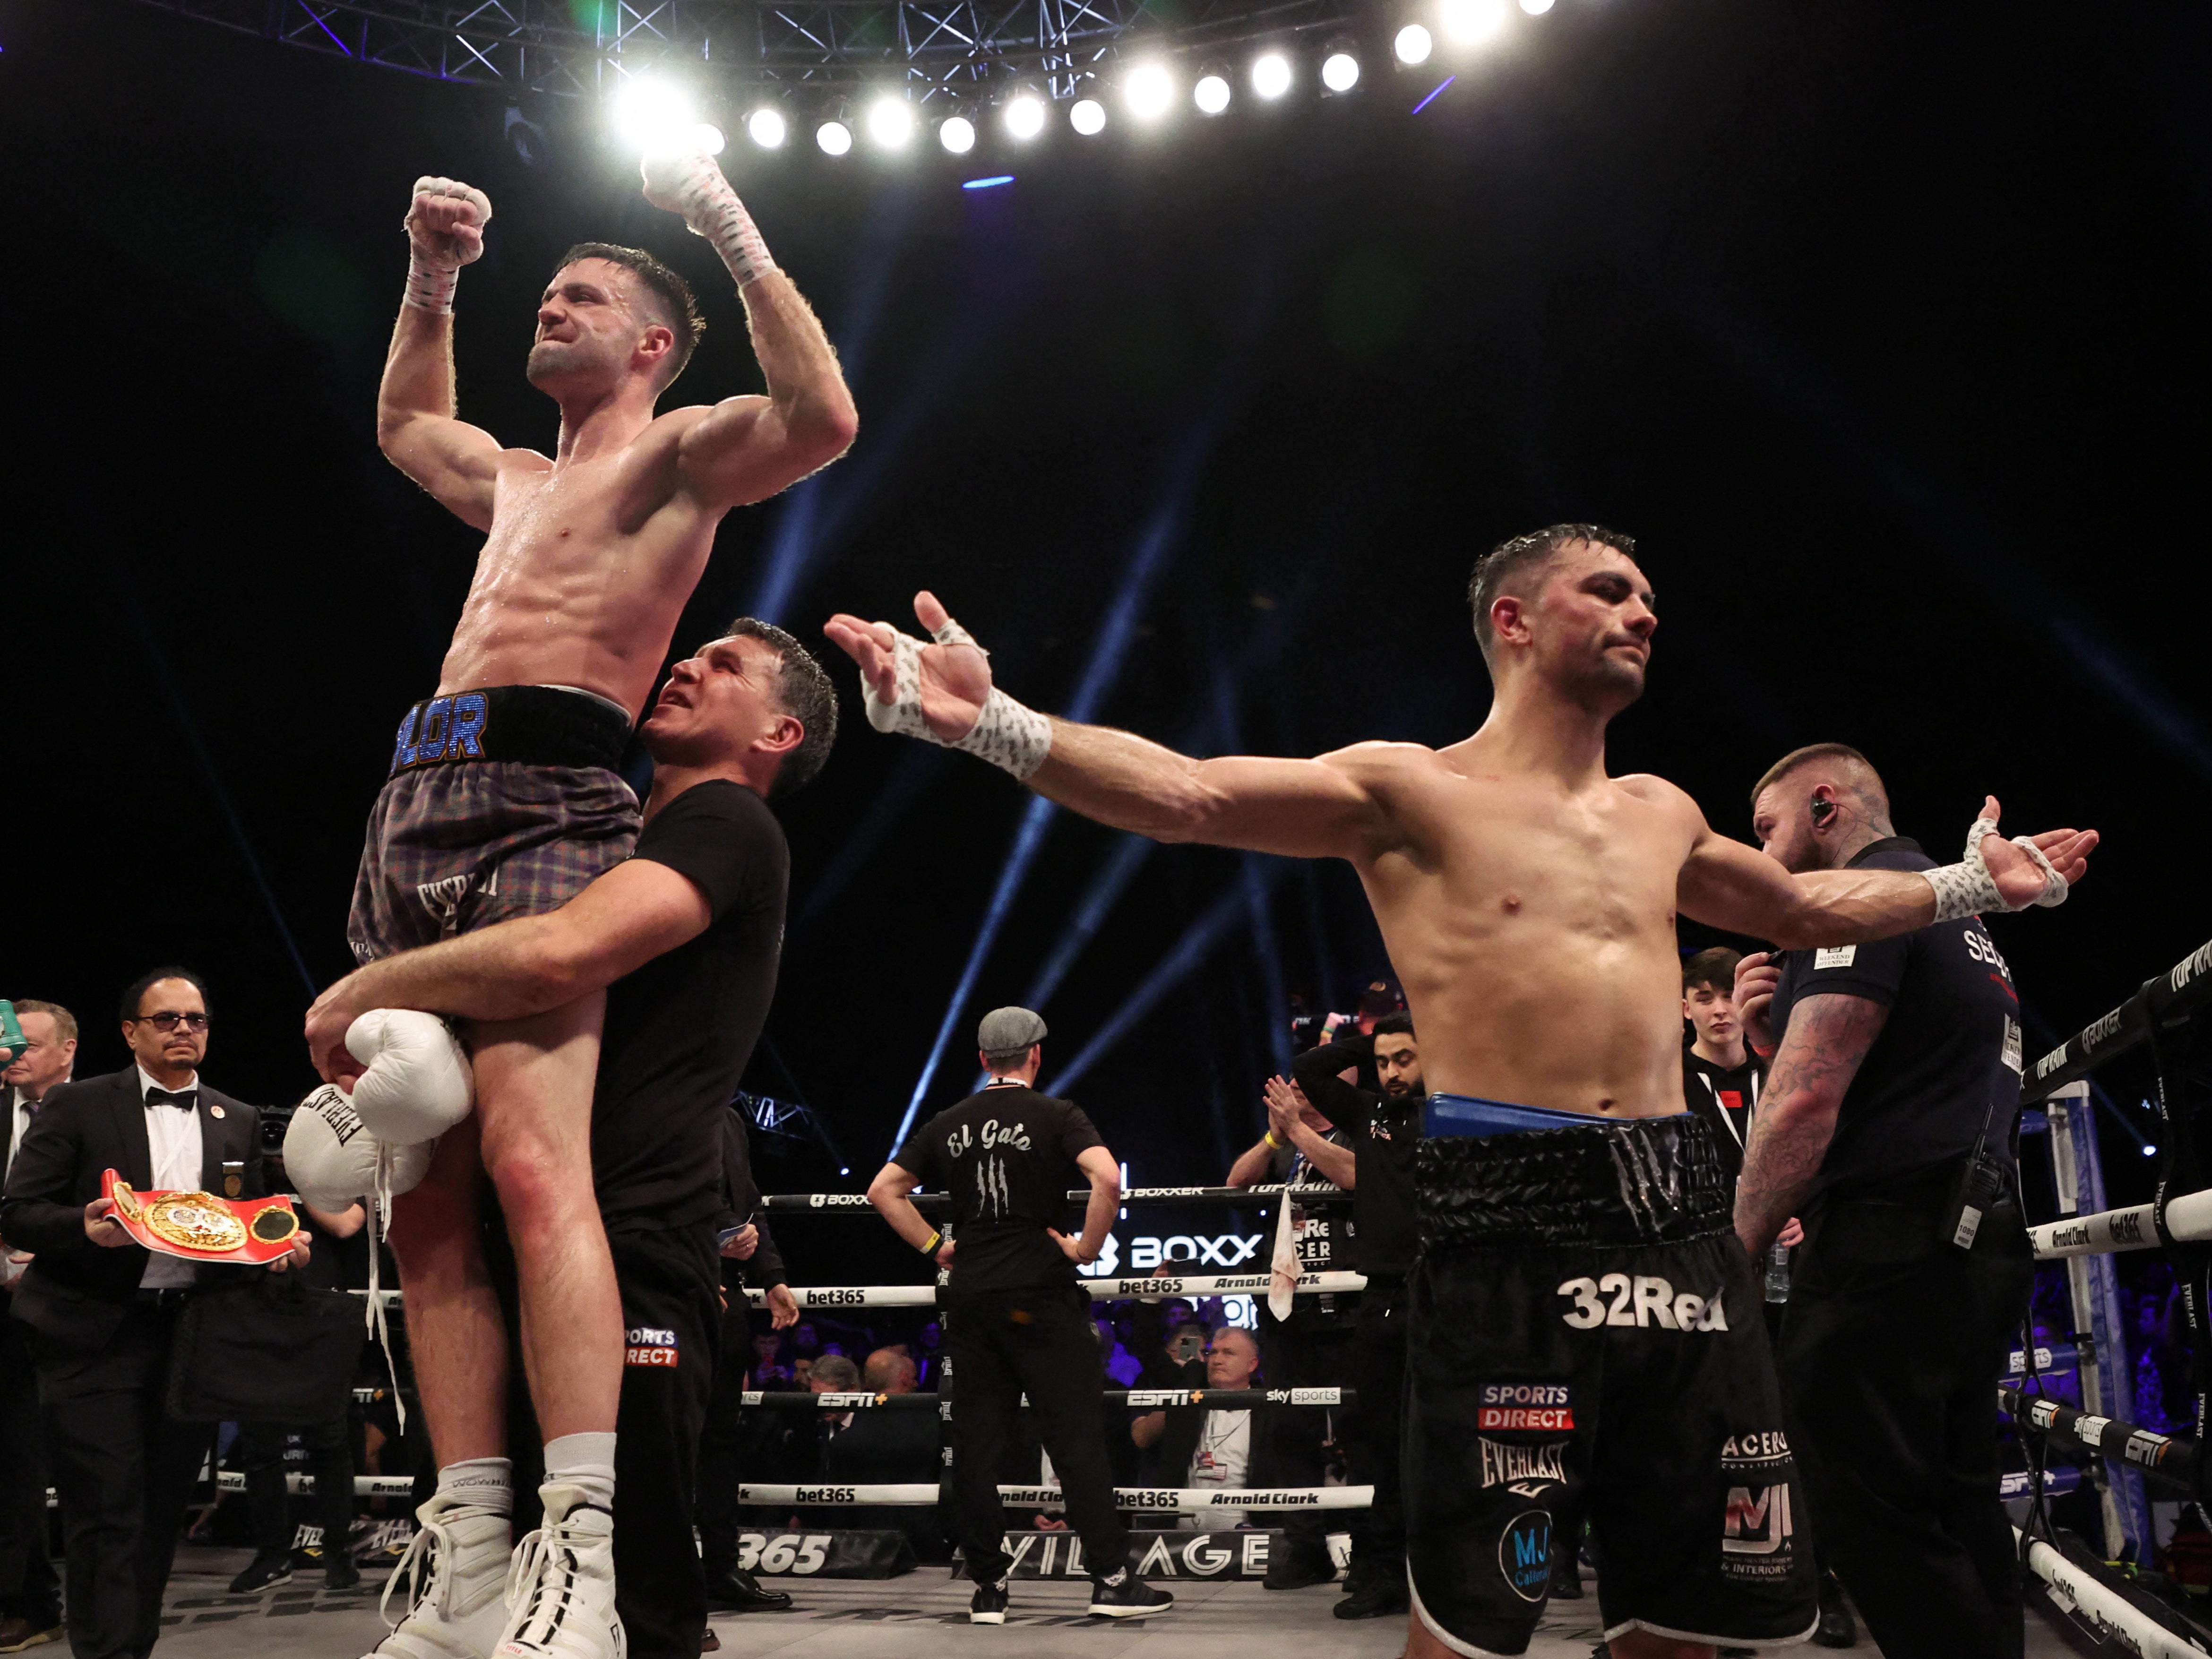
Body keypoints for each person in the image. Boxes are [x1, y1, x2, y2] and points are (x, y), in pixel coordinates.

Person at [823, 524, 2096, 1659]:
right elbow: (1190, 794)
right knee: (1478, 1607)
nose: (1646, 610)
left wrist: (1978, 883)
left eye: (1650, 593)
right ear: (1516, 619)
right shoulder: (1408, 786)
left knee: (1689, 1603)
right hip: (1505, 1219)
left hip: (1679, 1219)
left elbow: (1813, 901)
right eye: (1610, 588)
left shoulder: (1661, 809)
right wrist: (993, 724)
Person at [348, 142, 856, 1658]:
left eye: (581, 297)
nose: (548, 309)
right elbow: (400, 423)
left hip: (554, 785)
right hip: (416, 793)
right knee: (422, 1198)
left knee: (525, 1158)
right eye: (545, 294)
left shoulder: (685, 449)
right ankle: (473, 1552)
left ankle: (584, 1541)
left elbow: (823, 416)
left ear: (650, 343)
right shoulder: (511, 477)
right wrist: (434, 273)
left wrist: (719, 220)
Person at [306, 619, 832, 1659]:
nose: (683, 662)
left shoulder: (728, 821)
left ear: (777, 732)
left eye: (725, 666)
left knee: (624, 1589)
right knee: (493, 1569)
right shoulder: (601, 835)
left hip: (630, 1239)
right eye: (693, 650)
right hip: (525, 1240)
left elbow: (556, 957)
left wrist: (357, 993)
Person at [1734, 743, 2039, 1659]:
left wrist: (1727, 1253)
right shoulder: (1957, 913)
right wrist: (1768, 1035)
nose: (1761, 856)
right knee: (1956, 1498)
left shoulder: (1862, 901)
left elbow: (1804, 1099)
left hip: (1887, 1250)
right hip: (1972, 1243)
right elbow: (1901, 1073)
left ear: (1825, 807)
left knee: (1855, 1502)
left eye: (1766, 829)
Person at [0, 971, 310, 1659]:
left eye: (196, 1019)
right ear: (131, 1030)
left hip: (191, 1339)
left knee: (159, 1509)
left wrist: (279, 1245)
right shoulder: (79, 1104)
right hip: (94, 1332)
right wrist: (84, 1223)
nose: (183, 1029)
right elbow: (18, 1209)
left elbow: (243, 1224)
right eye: (166, 1017)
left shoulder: (235, 1114)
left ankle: (131, 1646)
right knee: (106, 1510)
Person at [865, 1008, 1173, 1625]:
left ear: (983, 1059)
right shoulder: (1058, 1113)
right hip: (1041, 1289)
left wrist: (937, 1247)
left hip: (972, 1293)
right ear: (1035, 1054)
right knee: (1076, 1440)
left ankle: (987, 1586)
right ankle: (1111, 1578)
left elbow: (883, 1190)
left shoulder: (948, 1121)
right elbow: (1108, 1178)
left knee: (975, 1448)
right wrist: (1086, 1248)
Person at [1286, 1010, 1423, 1619]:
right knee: (1377, 1443)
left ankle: (1447, 1573)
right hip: (1384, 1295)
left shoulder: (1452, 1115)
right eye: (1385, 1063)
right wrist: (1377, 1037)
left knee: (1447, 1439)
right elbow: (1308, 1068)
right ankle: (1380, 1575)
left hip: (1448, 1295)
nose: (1392, 1073)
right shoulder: (1367, 1112)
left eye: (1404, 1059)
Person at [1226, 1078, 1355, 1591]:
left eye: (1307, 1084)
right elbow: (1236, 1182)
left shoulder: (1359, 1135)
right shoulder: (1287, 1147)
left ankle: (1372, 1550)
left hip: (1350, 1309)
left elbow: (1351, 1178)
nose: (1294, 1089)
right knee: (1289, 1431)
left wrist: (1299, 1130)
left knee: (1360, 1429)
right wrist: (1276, 1136)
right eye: (1291, 1083)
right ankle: (1305, 1548)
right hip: (1290, 1313)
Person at [227, 1196, 371, 1597]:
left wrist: (298, 1181)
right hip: (260, 1309)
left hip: (319, 1312)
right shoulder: (251, 1166)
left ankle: (339, 1554)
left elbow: (347, 1223)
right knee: (261, 1446)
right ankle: (272, 1556)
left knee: (329, 1442)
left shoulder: (323, 1161)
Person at [697, 1101, 798, 1615]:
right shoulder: (660, 1099)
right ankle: (656, 1569)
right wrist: (702, 1257)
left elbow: (750, 1206)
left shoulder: (731, 1118)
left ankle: (719, 1567)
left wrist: (773, 1278)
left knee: (719, 1436)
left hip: (726, 1299)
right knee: (661, 1437)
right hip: (674, 1286)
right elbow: (641, 1191)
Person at [0, 1000, 74, 1652]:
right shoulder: (1, 1111)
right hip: (3, 1311)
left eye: (30, 1041)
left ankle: (46, 1599)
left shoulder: (100, 1110)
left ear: (68, 1050)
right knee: (13, 1463)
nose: (16, 1051)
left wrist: (48, 1259)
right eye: (8, 1040)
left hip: (74, 1308)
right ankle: (30, 1599)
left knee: (50, 1463)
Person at [1129, 1327, 1278, 1530]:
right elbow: (1146, 1347)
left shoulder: (1269, 1409)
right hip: (1179, 1534)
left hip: (1244, 1533)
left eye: (1229, 1353)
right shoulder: (1189, 1400)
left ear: (1252, 1364)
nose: (1217, 1360)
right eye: (1212, 1353)